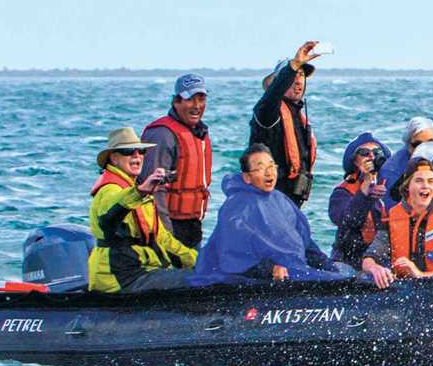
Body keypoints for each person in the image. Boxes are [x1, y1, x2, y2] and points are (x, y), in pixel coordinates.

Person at [189, 145, 348, 287]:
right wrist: (269, 269)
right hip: (249, 275)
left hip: (292, 269)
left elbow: (305, 243)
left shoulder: (280, 199)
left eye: (272, 166)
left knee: (341, 277)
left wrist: (329, 267)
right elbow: (233, 254)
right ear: (247, 177)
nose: (269, 172)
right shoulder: (237, 205)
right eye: (260, 168)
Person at [88, 127, 198, 293]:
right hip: (120, 277)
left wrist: (203, 263)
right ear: (114, 159)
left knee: (201, 276)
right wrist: (140, 191)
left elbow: (164, 240)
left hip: (144, 270)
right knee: (189, 281)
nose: (136, 156)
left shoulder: (138, 192)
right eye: (128, 151)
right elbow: (109, 216)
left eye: (141, 151)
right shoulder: (109, 189)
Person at [360, 157, 433, 289]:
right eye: (419, 181)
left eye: (430, 181)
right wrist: (375, 269)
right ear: (407, 186)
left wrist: (421, 275)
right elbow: (369, 258)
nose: (426, 186)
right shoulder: (393, 216)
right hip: (404, 289)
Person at [140, 73, 213, 248]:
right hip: (169, 227)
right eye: (190, 100)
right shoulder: (162, 134)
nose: (197, 106)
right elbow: (153, 189)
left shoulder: (199, 133)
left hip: (192, 226)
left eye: (201, 99)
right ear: (176, 101)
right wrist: (165, 236)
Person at [250, 41, 323, 207]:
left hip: (292, 204)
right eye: (294, 75)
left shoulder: (299, 116)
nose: (298, 81)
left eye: (302, 75)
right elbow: (271, 97)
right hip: (267, 203)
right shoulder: (268, 112)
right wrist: (292, 66)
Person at [328, 133, 390, 267]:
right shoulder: (342, 193)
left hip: (382, 257)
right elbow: (349, 220)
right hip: (350, 260)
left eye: (376, 152)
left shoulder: (391, 185)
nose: (371, 156)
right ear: (355, 161)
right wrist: (365, 189)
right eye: (364, 153)